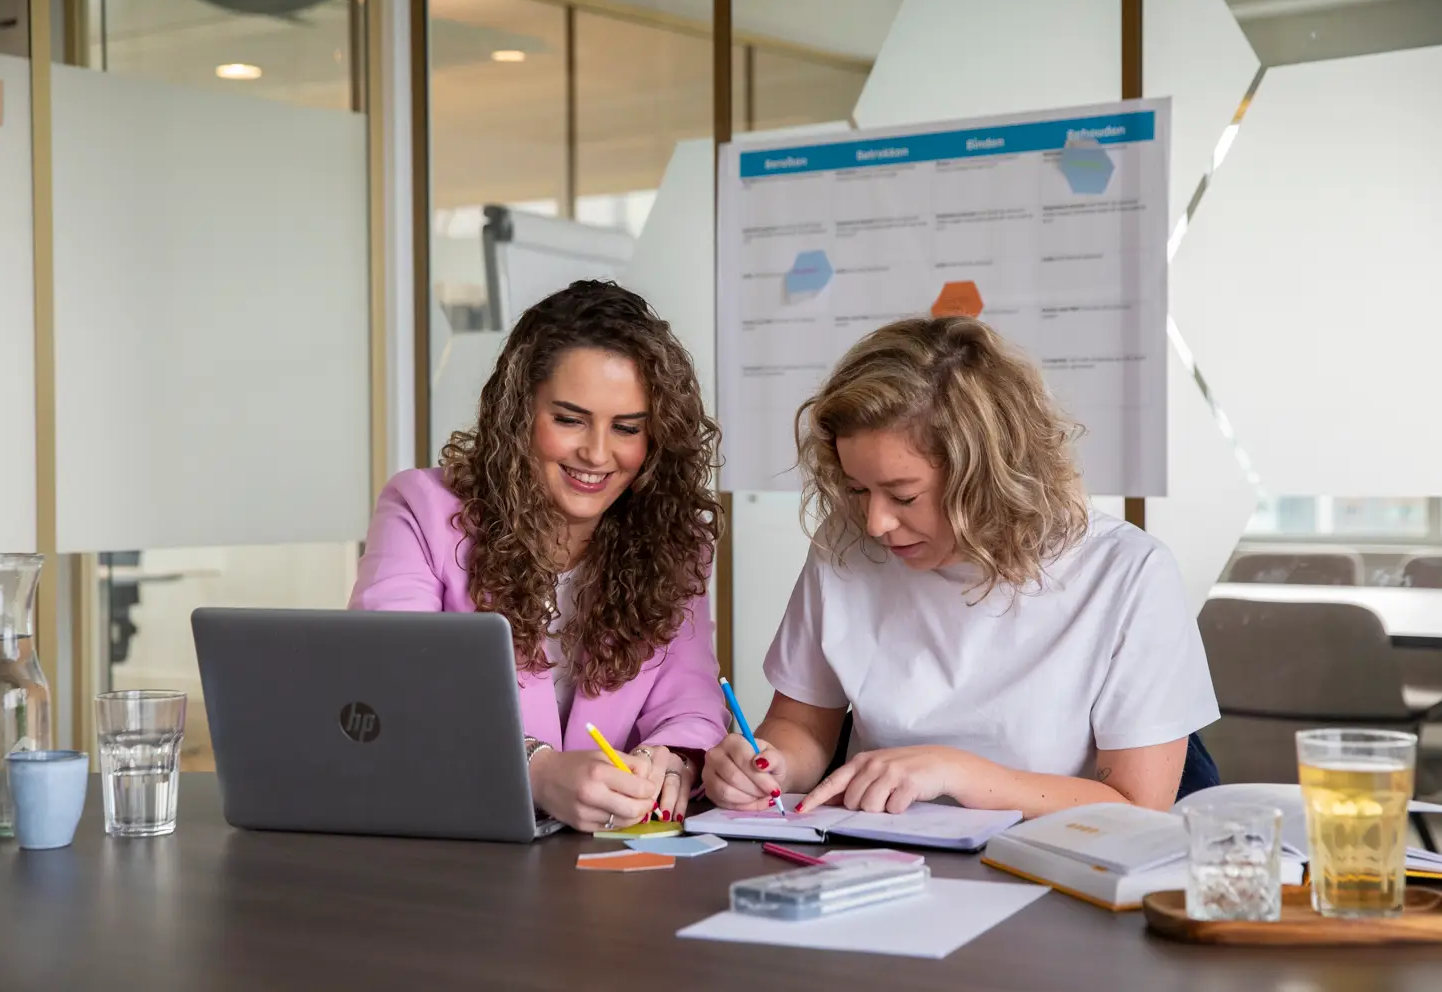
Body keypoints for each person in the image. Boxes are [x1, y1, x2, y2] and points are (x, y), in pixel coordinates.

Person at [702, 316, 1219, 819]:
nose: (876, 522)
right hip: (881, 863)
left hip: (1055, 868)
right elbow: (804, 726)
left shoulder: (1126, 573)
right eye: (858, 489)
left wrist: (956, 773)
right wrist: (769, 764)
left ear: (988, 476)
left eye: (904, 495)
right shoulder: (847, 547)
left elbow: (1139, 806)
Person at [351, 281, 727, 832]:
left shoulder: (675, 542)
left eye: (627, 428)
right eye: (570, 419)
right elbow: (386, 691)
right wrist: (536, 768)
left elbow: (691, 705)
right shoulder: (421, 509)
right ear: (519, 412)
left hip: (605, 862)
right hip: (451, 851)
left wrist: (671, 759)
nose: (597, 454)